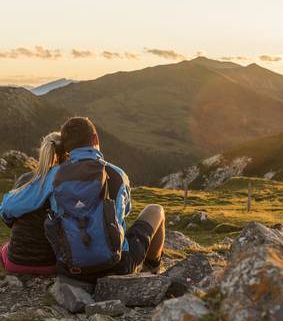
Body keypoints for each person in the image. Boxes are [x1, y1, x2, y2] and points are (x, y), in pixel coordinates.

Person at [0, 117, 165, 281]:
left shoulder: (54, 175)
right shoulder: (117, 174)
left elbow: (8, 207)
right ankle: (154, 267)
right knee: (156, 210)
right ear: (95, 138)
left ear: (66, 146)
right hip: (117, 265)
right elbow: (124, 212)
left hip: (70, 268)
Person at [0, 132, 66, 275]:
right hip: (51, 263)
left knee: (4, 248)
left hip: (16, 262)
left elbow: (8, 218)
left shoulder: (25, 179)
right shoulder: (67, 183)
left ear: (43, 151)